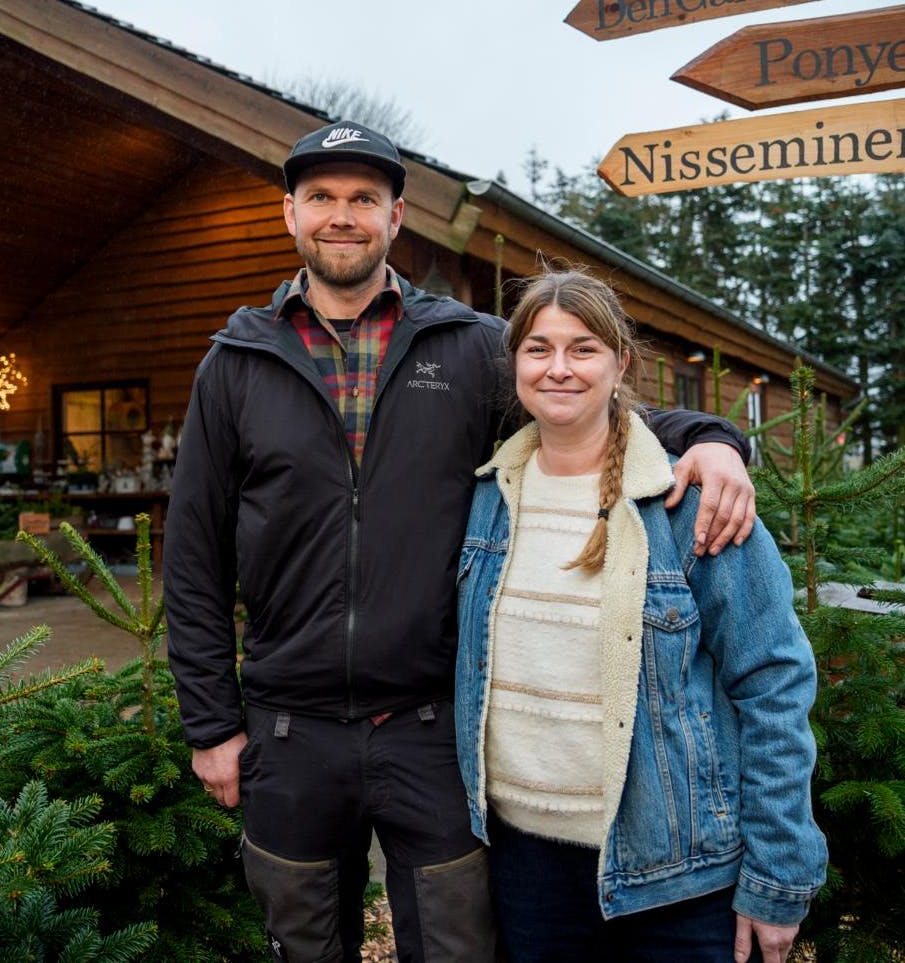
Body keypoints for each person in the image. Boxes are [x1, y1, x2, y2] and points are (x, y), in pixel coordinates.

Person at [163, 121, 758, 963]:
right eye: (323, 197)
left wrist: (711, 436)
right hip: (287, 734)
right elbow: (192, 558)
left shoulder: (468, 346)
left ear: (395, 217)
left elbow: (586, 406)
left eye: (363, 198)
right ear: (289, 213)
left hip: (433, 729)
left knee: (455, 946)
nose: (343, 215)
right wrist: (210, 724)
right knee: (301, 943)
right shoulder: (235, 363)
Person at [455, 269, 827, 963]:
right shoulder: (486, 499)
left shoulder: (689, 502)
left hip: (677, 873)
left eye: (583, 347)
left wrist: (778, 875)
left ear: (620, 361)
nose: (558, 367)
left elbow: (772, 681)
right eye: (537, 349)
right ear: (514, 364)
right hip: (525, 867)